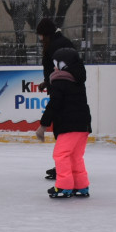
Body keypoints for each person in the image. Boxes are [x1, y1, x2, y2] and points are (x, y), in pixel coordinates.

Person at [36, 48, 92, 198]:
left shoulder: (60, 81)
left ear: (63, 65)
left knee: (61, 154)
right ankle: (81, 185)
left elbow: (54, 105)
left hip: (69, 126)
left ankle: (64, 186)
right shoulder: (77, 79)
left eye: (56, 64)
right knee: (75, 156)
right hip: (83, 126)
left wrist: (43, 126)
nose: (54, 67)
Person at [36, 18, 74, 179]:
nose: (40, 39)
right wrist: (47, 82)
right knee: (63, 130)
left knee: (62, 130)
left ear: (46, 34)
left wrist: (53, 83)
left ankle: (65, 167)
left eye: (40, 35)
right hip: (65, 88)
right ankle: (65, 165)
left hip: (62, 91)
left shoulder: (55, 46)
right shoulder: (61, 42)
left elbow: (62, 69)